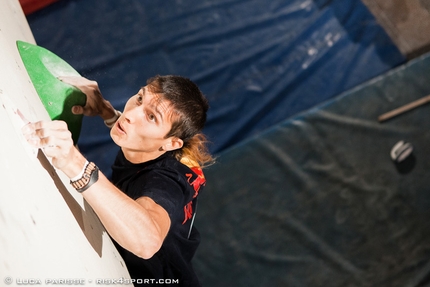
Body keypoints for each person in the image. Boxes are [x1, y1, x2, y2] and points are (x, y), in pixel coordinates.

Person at [22, 75, 214, 286]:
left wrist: (76, 165)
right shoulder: (160, 147)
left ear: (171, 144)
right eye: (140, 98)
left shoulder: (167, 181)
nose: (130, 114)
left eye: (151, 117)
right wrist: (107, 112)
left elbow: (147, 241)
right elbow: (137, 128)